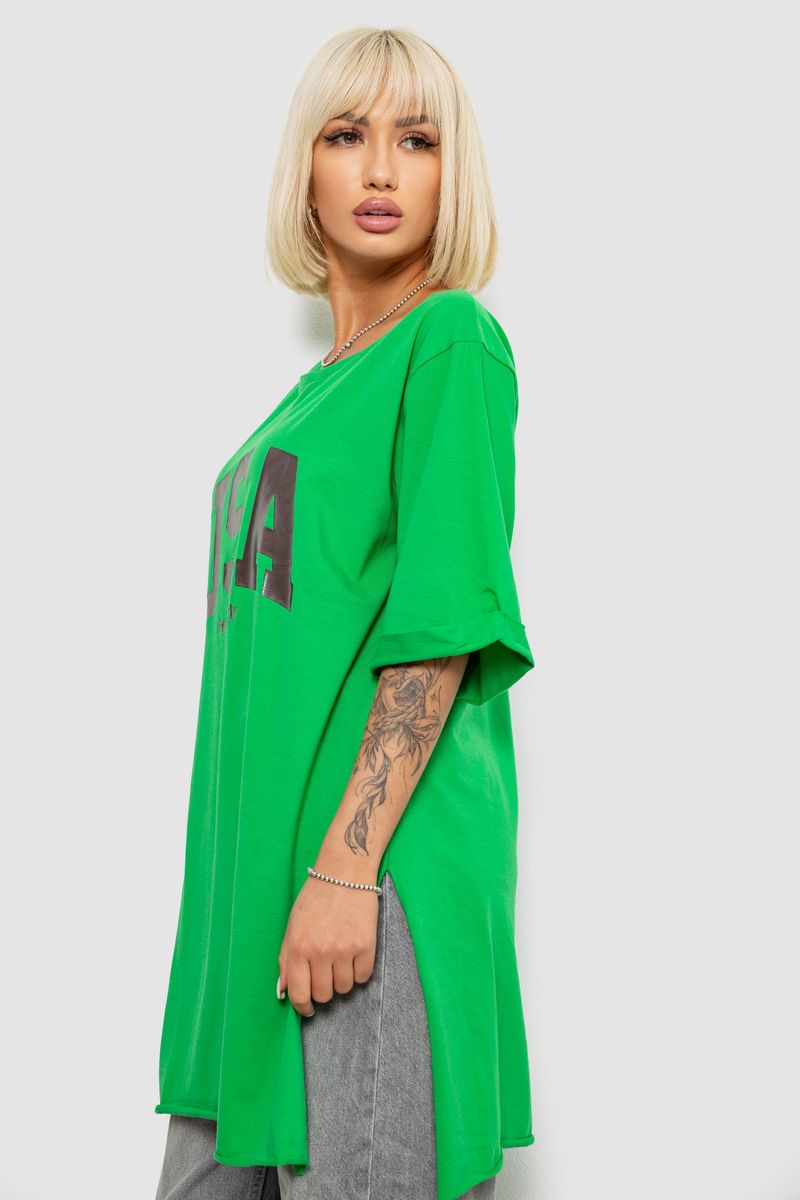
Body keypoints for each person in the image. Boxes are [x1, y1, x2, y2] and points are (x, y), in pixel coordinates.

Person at [153, 25, 536, 1200]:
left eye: (416, 140)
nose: (378, 169)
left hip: (363, 881)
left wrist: (345, 869)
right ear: (304, 170)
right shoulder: (300, 401)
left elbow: (442, 620)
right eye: (345, 134)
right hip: (252, 894)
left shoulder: (449, 340)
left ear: (451, 172)